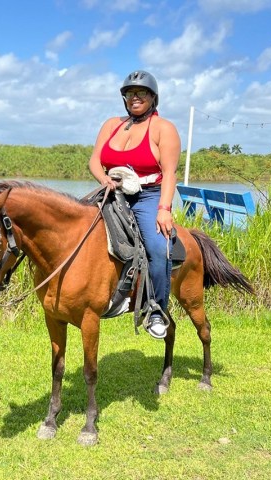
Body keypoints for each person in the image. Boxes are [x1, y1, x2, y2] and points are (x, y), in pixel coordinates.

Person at [89, 70, 181, 339]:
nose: (135, 98)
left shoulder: (164, 128)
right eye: (130, 93)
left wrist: (164, 209)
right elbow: (95, 160)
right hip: (112, 190)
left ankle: (156, 310)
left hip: (148, 195)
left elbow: (170, 172)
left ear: (153, 97)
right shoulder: (110, 125)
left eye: (141, 93)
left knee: (156, 246)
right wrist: (104, 178)